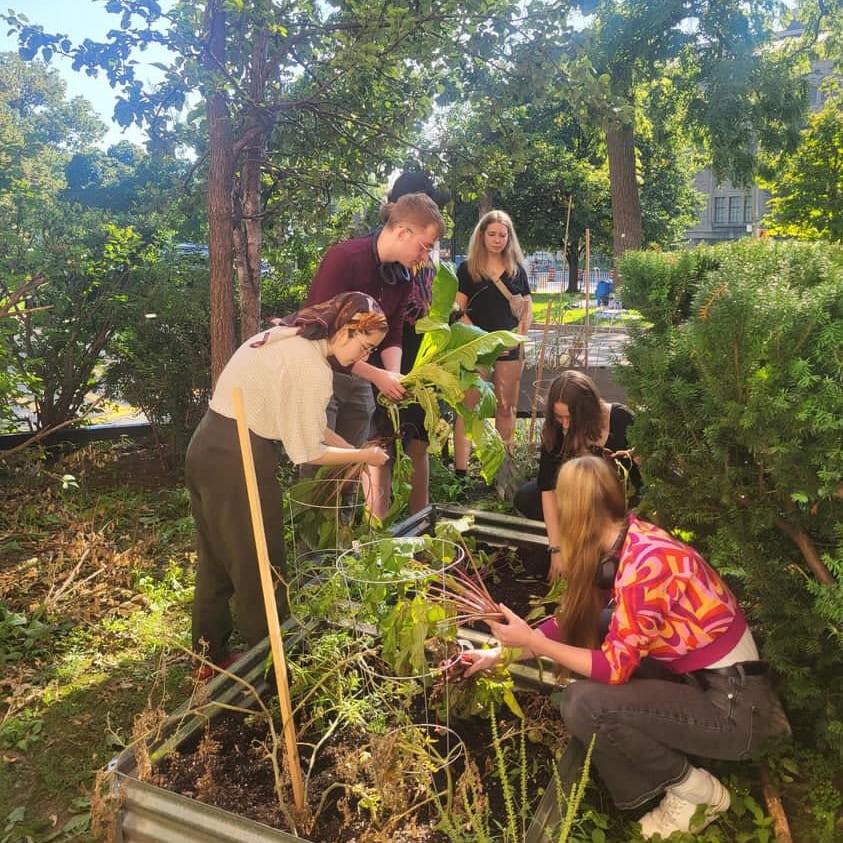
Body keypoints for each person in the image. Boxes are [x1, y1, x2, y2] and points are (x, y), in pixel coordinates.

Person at [465, 455, 789, 840]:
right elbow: (575, 622)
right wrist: (503, 654)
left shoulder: (645, 567)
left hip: (735, 709)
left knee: (584, 704)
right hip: (707, 682)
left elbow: (613, 668)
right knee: (599, 634)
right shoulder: (628, 540)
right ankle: (651, 786)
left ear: (575, 514)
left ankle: (696, 792)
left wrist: (534, 641)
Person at [186, 292, 390, 671]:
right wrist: (365, 457)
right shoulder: (311, 368)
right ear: (345, 330)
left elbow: (309, 423)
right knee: (261, 562)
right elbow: (307, 452)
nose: (364, 358)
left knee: (217, 559)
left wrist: (349, 447)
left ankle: (208, 656)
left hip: (207, 443)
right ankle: (273, 667)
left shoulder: (290, 338)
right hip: (238, 455)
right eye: (364, 346)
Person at [305, 193, 447, 517]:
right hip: (318, 376)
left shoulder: (403, 276)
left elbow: (393, 331)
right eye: (424, 246)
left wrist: (394, 374)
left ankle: (343, 547)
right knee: (319, 469)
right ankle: (313, 562)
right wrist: (378, 376)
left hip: (358, 380)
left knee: (352, 467)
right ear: (403, 233)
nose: (425, 256)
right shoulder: (345, 258)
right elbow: (321, 335)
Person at [369, 172, 450, 516]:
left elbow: (429, 308)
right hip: (382, 355)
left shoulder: (428, 259)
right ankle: (378, 525)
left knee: (418, 442)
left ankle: (420, 520)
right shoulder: (382, 251)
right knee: (380, 444)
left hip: (419, 359)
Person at [513, 370, 641, 580]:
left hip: (616, 504)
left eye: (570, 418)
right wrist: (556, 549)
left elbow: (644, 479)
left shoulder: (621, 420)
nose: (564, 424)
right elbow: (548, 488)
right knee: (528, 497)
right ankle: (573, 537)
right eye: (558, 417)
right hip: (576, 500)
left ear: (588, 411)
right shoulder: (556, 431)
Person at [452, 210, 531, 475]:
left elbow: (527, 309)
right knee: (468, 405)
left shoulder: (517, 271)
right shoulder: (467, 269)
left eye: (502, 235)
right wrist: (481, 340)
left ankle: (502, 470)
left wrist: (516, 338)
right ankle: (461, 471)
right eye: (492, 234)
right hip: (476, 348)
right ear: (482, 235)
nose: (497, 239)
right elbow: (457, 310)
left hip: (509, 348)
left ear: (509, 238)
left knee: (505, 406)